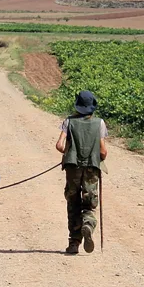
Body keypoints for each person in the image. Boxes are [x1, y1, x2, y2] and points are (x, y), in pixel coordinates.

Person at [55, 90, 108, 254]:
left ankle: (74, 243)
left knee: (73, 202)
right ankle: (88, 224)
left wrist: (68, 151)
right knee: (89, 202)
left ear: (77, 105)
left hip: (72, 167)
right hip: (91, 167)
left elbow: (59, 145)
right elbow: (103, 152)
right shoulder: (99, 123)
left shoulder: (69, 122)